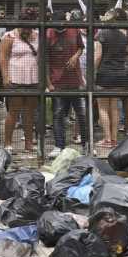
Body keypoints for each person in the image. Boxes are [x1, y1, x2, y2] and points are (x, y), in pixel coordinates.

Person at [0, 7, 40, 153]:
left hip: (33, 78)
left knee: (29, 112)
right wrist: (5, 76)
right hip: (15, 78)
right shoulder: (9, 36)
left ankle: (28, 143)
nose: (27, 29)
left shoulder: (37, 35)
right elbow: (3, 57)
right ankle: (8, 143)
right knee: (13, 111)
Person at [47, 12, 88, 157]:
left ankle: (86, 144)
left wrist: (75, 57)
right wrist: (49, 83)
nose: (60, 30)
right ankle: (59, 145)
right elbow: (44, 61)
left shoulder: (74, 30)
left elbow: (80, 47)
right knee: (58, 115)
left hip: (75, 81)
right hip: (57, 82)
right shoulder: (48, 34)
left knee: (82, 114)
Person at [93, 8, 128, 149]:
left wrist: (92, 72)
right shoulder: (125, 35)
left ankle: (107, 139)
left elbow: (97, 56)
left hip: (105, 74)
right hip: (119, 74)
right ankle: (115, 139)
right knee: (114, 107)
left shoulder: (101, 34)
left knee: (103, 107)